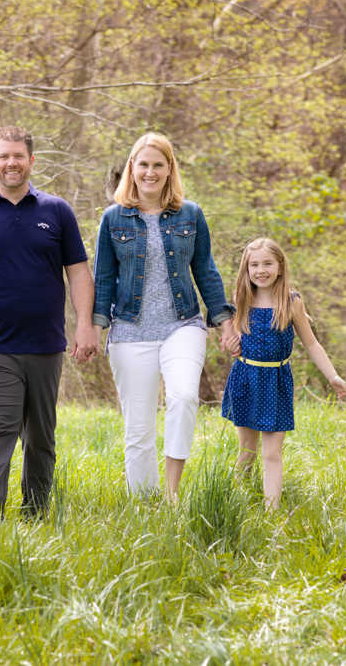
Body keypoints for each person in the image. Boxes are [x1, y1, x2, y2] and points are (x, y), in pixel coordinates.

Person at [0, 125, 98, 523]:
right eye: (3, 156)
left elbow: (78, 272)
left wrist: (85, 325)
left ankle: (37, 514)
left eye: (18, 156)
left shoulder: (56, 211)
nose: (11, 163)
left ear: (31, 161)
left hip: (47, 343)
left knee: (41, 436)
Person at [92, 133, 237, 501]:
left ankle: (172, 495)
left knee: (185, 396)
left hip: (182, 324)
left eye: (158, 164)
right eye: (143, 164)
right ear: (132, 169)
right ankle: (144, 504)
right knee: (138, 430)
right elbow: (103, 278)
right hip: (129, 330)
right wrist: (95, 329)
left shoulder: (191, 214)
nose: (150, 172)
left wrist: (225, 323)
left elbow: (206, 271)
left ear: (170, 168)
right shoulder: (113, 218)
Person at [220, 237, 346, 510]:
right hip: (245, 379)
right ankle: (240, 504)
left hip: (276, 382)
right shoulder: (241, 298)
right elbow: (231, 339)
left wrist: (333, 376)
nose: (261, 270)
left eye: (267, 263)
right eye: (254, 265)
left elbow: (312, 343)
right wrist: (231, 341)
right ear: (246, 269)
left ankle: (272, 513)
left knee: (271, 453)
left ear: (280, 266)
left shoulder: (292, 302)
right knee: (247, 451)